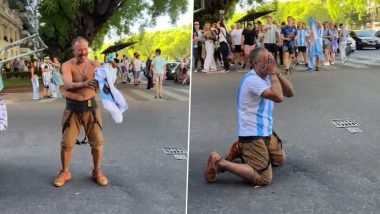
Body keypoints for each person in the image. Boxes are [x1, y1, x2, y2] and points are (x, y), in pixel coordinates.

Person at [204, 47, 294, 185]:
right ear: (257, 64)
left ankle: (240, 149)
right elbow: (278, 97)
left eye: (272, 59)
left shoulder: (269, 75)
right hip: (252, 133)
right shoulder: (252, 80)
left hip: (266, 130)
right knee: (264, 178)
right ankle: (220, 163)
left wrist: (277, 73)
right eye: (267, 61)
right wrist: (274, 74)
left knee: (279, 160)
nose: (271, 63)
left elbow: (290, 93)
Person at [54, 36, 108, 187]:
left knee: (97, 143)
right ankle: (65, 172)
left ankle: (97, 171)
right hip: (73, 109)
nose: (83, 52)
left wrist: (108, 78)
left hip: (91, 108)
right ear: (74, 50)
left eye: (85, 49)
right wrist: (85, 83)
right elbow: (68, 84)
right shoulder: (67, 65)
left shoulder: (95, 64)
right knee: (67, 144)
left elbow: (106, 82)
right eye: (80, 50)